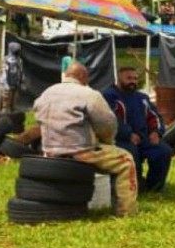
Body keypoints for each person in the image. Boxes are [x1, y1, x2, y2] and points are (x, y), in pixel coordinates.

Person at [33, 61, 139, 217]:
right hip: (81, 151)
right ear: (83, 76)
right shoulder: (89, 94)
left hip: (49, 151)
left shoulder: (47, 92)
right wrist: (107, 141)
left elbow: (37, 116)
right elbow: (107, 124)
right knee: (126, 161)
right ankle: (127, 212)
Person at [102, 66, 172, 193]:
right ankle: (135, 187)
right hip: (120, 139)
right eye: (128, 78)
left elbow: (154, 116)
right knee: (131, 153)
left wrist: (156, 132)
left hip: (143, 138)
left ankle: (154, 187)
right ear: (119, 78)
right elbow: (110, 119)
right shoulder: (109, 96)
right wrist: (128, 134)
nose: (133, 81)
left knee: (163, 151)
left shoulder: (142, 98)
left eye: (135, 78)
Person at [0, 42, 23, 112]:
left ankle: (12, 118)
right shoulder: (5, 60)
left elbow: (20, 72)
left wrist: (20, 82)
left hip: (15, 85)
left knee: (13, 104)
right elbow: (3, 73)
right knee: (5, 105)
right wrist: (5, 85)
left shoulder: (19, 60)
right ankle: (4, 117)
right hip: (6, 85)